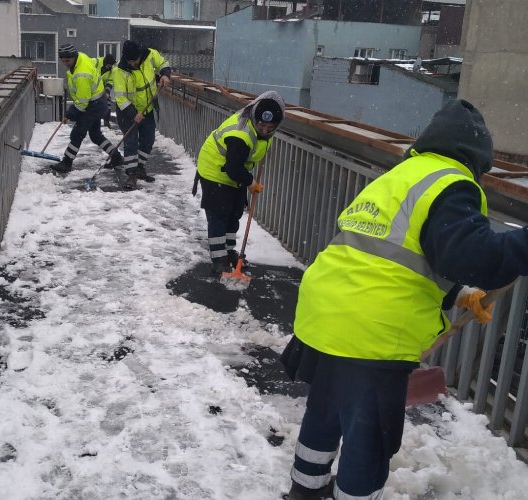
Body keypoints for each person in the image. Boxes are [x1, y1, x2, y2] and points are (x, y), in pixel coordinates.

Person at [280, 99, 528, 500]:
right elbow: (478, 259)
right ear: (477, 159)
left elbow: (396, 255)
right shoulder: (454, 184)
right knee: (368, 439)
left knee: (324, 414)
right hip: (371, 334)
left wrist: (460, 295)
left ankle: (304, 491)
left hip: (325, 314)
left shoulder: (402, 175)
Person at [193, 91, 285, 275]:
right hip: (215, 170)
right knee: (219, 216)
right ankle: (219, 260)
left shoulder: (264, 129)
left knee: (234, 213)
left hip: (234, 174)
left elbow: (239, 165)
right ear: (254, 118)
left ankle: (228, 252)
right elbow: (233, 168)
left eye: (270, 127)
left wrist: (246, 178)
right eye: (262, 125)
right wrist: (250, 182)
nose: (265, 130)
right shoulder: (240, 134)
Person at [52, 44, 123, 173]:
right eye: (62, 60)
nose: (65, 63)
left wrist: (69, 115)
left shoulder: (81, 74)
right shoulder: (82, 57)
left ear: (74, 57)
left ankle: (67, 163)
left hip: (94, 105)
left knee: (77, 133)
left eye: (67, 60)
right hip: (97, 102)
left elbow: (82, 103)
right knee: (95, 135)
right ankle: (116, 157)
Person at [111, 40, 171, 189]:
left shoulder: (150, 55)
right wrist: (133, 113)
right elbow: (120, 97)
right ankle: (131, 175)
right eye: (129, 61)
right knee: (131, 142)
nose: (132, 64)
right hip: (127, 111)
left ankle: (140, 167)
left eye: (134, 60)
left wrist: (165, 75)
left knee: (148, 139)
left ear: (140, 55)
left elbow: (163, 63)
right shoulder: (119, 70)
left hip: (147, 108)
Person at [97, 54, 116, 128]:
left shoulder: (111, 71)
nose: (110, 67)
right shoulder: (96, 63)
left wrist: (107, 92)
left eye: (111, 65)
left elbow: (110, 82)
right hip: (91, 88)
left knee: (108, 104)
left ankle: (106, 122)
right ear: (105, 63)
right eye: (109, 65)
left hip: (102, 88)